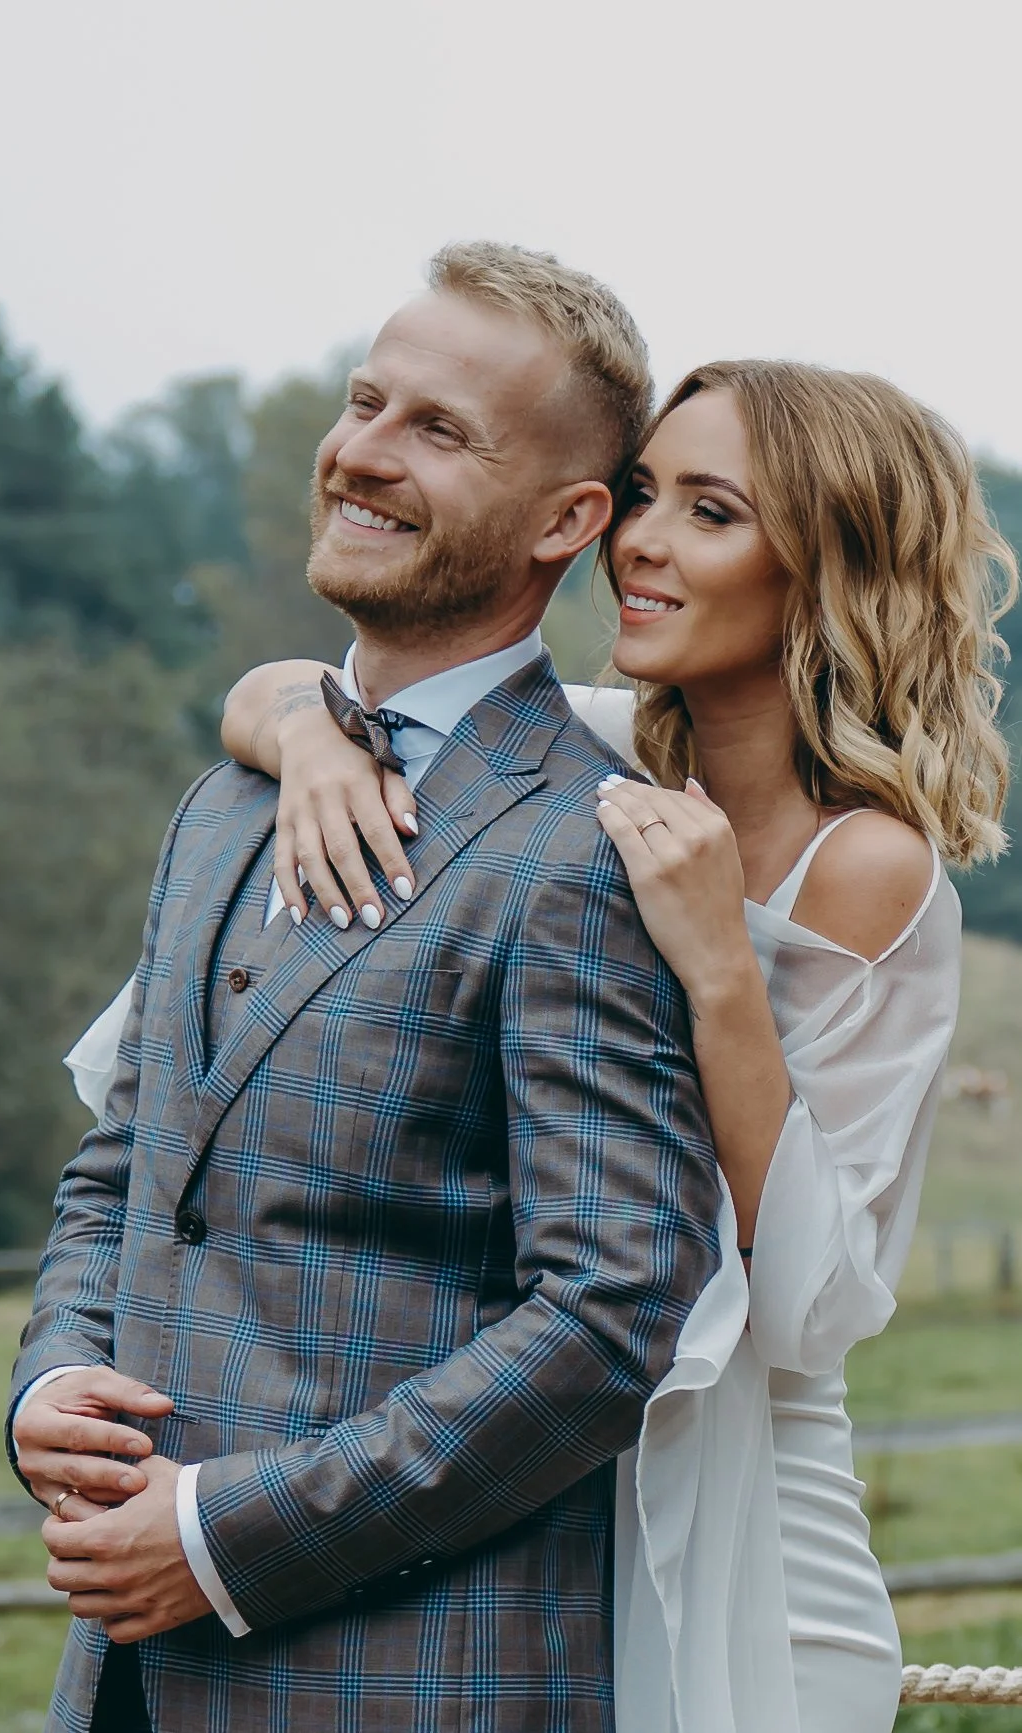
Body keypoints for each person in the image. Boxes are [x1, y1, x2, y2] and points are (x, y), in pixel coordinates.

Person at [206, 359, 1017, 1732]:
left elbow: (811, 1309)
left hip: (750, 1520)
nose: (637, 540)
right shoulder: (580, 758)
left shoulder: (866, 868)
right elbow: (281, 683)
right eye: (641, 495)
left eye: (710, 512)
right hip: (538, 1501)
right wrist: (318, 742)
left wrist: (717, 964)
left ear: (824, 569)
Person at [8, 242, 723, 1733]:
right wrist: (54, 1378)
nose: (362, 454)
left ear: (566, 520)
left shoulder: (585, 849)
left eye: (437, 431)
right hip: (130, 1683)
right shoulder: (223, 808)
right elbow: (131, 1165)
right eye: (364, 401)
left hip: (411, 1681)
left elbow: (607, 1315)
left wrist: (225, 1536)